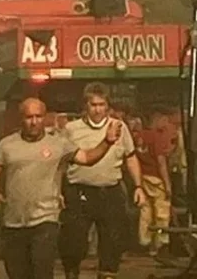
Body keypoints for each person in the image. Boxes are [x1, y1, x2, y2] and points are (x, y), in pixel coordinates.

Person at [0, 97, 122, 279]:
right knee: (18, 274)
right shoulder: (7, 144)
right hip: (14, 222)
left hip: (45, 220)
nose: (34, 122)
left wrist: (107, 142)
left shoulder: (59, 144)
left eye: (38, 116)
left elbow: (87, 158)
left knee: (42, 272)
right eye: (29, 117)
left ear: (45, 117)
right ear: (21, 119)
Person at [58, 83, 144, 279]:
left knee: (112, 243)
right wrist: (58, 190)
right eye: (93, 104)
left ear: (108, 106)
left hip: (110, 192)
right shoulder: (71, 129)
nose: (97, 109)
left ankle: (107, 274)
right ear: (85, 106)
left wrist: (138, 186)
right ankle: (72, 272)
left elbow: (130, 157)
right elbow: (61, 162)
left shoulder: (119, 128)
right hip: (79, 193)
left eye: (101, 104)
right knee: (74, 242)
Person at [133, 112, 174, 257]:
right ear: (158, 120)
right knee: (161, 212)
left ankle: (144, 241)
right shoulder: (157, 137)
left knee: (145, 211)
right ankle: (160, 244)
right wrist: (167, 184)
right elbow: (161, 162)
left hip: (142, 177)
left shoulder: (139, 137)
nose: (167, 124)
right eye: (165, 120)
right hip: (156, 178)